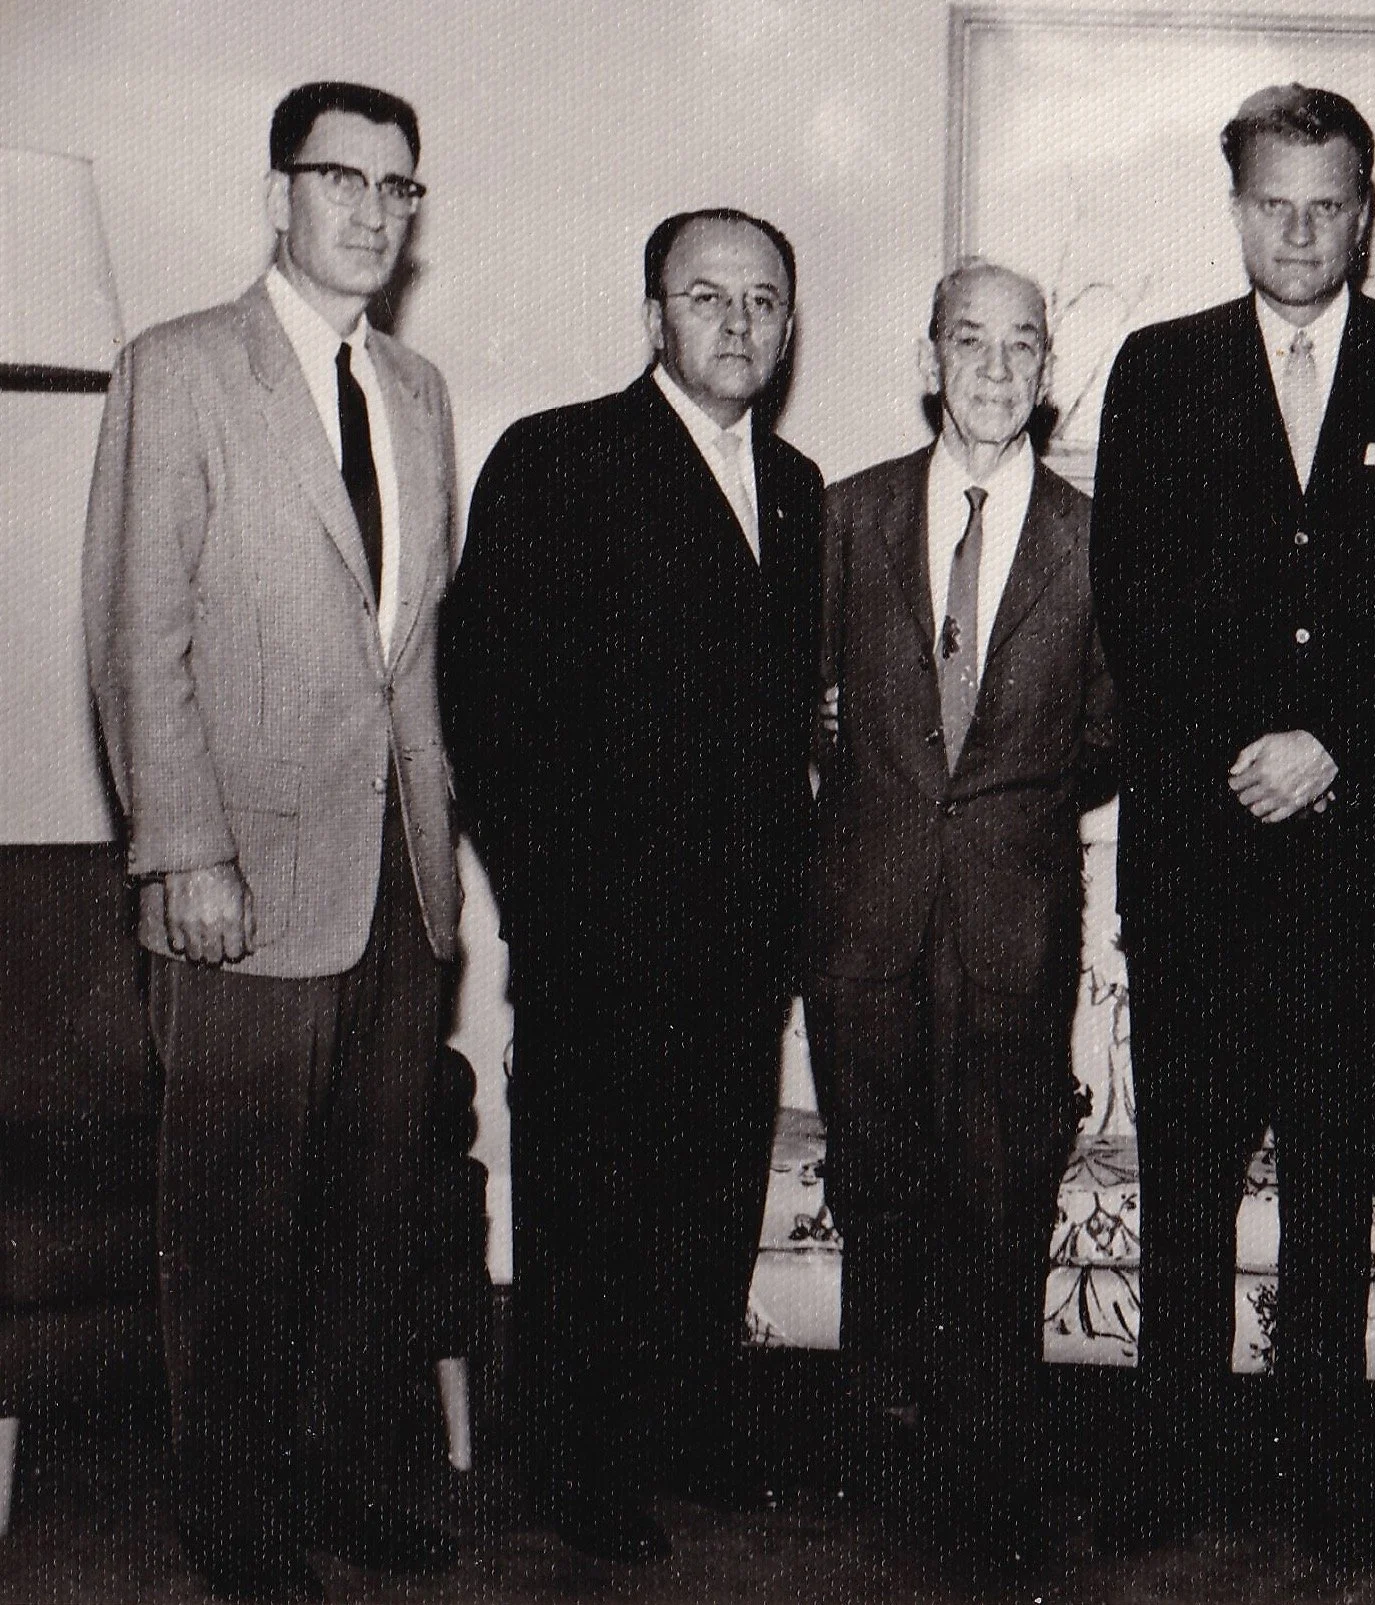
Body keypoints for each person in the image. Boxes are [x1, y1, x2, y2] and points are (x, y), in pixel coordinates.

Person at [1089, 83, 1375, 1568]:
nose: (1303, 230)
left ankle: (1326, 1485)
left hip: (1361, 869)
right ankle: (1169, 1476)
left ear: (1366, 210)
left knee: (1336, 1188)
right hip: (1200, 859)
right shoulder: (1158, 366)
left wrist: (1337, 749)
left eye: (1329, 203)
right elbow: (1129, 606)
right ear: (1237, 206)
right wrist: (1238, 754)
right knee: (1187, 1186)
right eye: (1276, 202)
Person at [82, 80, 462, 1600]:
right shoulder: (179, 368)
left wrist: (446, 854)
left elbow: (408, 651)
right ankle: (236, 1530)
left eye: (398, 188)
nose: (373, 211)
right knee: (233, 1232)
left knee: (365, 1227)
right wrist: (184, 851)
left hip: (395, 884)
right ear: (278, 195)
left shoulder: (419, 390)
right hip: (237, 878)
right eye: (343, 179)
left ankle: (344, 1493)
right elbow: (136, 634)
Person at [438, 208, 822, 1564]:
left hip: (740, 933)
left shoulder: (794, 484)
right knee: (589, 1200)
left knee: (712, 1193)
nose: (736, 322)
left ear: (787, 324)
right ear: (653, 315)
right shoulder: (560, 457)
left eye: (762, 300)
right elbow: (483, 701)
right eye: (705, 296)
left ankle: (692, 1432)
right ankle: (574, 1470)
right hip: (600, 928)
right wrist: (548, 897)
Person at [806, 259, 1115, 1586]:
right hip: (863, 918)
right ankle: (887, 1460)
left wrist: (1000, 805)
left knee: (999, 1192)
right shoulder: (840, 517)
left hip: (1015, 919)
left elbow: (1108, 732)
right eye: (969, 343)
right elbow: (800, 698)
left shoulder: (1096, 540)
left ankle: (990, 1476)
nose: (994, 370)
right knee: (880, 1183)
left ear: (1050, 373)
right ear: (928, 358)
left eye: (1021, 348)